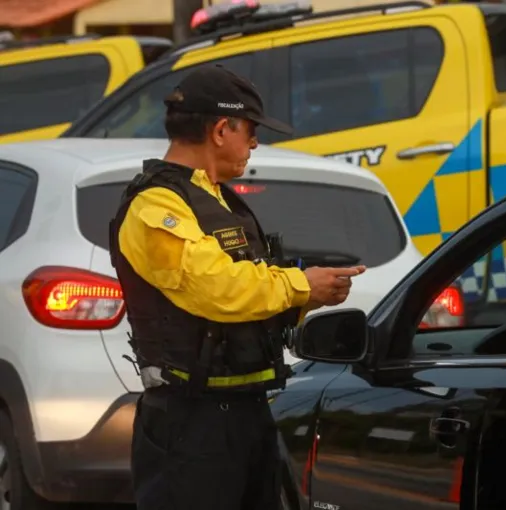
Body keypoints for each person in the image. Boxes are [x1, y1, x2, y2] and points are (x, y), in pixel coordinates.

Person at [108, 63, 366, 510]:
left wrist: (311, 295)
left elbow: (250, 294)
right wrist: (301, 286)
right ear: (222, 129)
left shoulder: (218, 199)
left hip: (244, 411)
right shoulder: (155, 207)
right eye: (249, 130)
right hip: (191, 422)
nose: (254, 142)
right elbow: (216, 288)